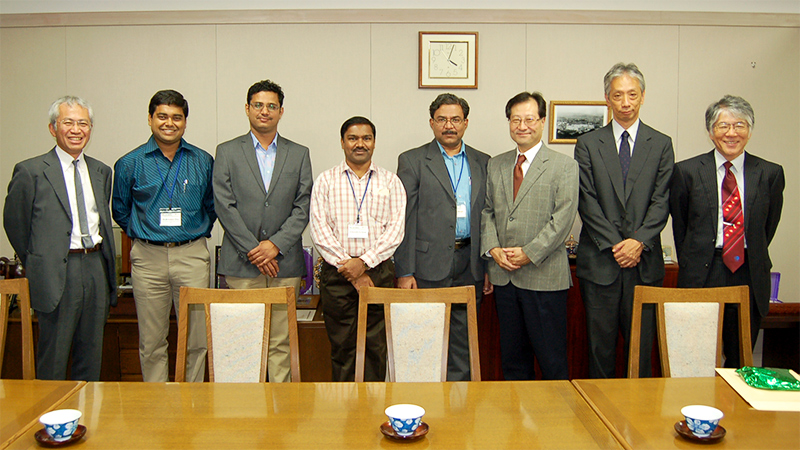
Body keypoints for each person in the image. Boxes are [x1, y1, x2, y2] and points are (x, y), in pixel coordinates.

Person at [4, 96, 117, 380]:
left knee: (91, 357)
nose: (76, 129)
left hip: (95, 268)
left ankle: (87, 419)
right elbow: (15, 224)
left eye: (83, 123)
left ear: (90, 129)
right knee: (53, 359)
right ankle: (50, 423)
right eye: (68, 122)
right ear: (53, 128)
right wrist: (39, 261)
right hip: (56, 273)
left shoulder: (102, 171)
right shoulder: (30, 171)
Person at [574, 62, 674, 378]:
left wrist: (638, 242)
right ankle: (599, 420)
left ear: (642, 96)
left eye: (632, 94)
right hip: (601, 262)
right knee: (598, 350)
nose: (626, 103)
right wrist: (618, 245)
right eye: (618, 95)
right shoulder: (588, 143)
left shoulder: (661, 144)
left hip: (644, 265)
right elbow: (586, 201)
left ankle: (639, 421)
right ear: (607, 98)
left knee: (641, 350)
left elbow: (662, 201)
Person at [670, 95, 784, 368]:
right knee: (696, 359)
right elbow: (681, 226)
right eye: (723, 126)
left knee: (740, 359)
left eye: (739, 125)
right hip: (703, 272)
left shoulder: (769, 173)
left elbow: (768, 227)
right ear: (711, 132)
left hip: (747, 272)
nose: (731, 133)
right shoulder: (687, 171)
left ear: (750, 130)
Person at [112, 90, 215, 382]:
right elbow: (120, 210)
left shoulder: (203, 161)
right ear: (150, 119)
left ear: (185, 122)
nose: (169, 123)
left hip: (191, 254)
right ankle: (157, 402)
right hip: (148, 256)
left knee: (196, 339)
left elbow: (212, 206)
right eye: (162, 116)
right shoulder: (130, 163)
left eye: (177, 117)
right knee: (152, 340)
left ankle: (192, 400)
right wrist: (148, 232)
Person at [213, 79, 312, 382]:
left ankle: (280, 411)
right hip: (242, 265)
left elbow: (303, 205)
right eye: (258, 105)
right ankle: (247, 415)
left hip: (284, 264)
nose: (264, 111)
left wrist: (275, 245)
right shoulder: (227, 151)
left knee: (281, 340)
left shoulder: (299, 153)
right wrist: (255, 250)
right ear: (247, 109)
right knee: (244, 340)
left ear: (281, 111)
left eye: (271, 106)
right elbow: (223, 206)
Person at [481, 92, 578, 380]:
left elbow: (563, 219)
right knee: (512, 361)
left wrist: (529, 253)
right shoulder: (496, 164)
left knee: (552, 361)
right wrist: (493, 249)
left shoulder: (564, 165)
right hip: (504, 277)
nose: (522, 126)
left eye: (529, 119)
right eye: (515, 119)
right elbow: (488, 211)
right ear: (509, 122)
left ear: (543, 121)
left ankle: (555, 422)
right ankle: (516, 423)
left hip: (544, 277)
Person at [395, 93, 492, 381]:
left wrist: (487, 266)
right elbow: (405, 217)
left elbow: (488, 216)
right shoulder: (412, 160)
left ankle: (461, 407)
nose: (449, 125)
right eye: (442, 119)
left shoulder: (483, 161)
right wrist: (405, 270)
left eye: (455, 119)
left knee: (463, 343)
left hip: (470, 262)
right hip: (427, 265)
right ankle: (425, 403)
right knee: (425, 338)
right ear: (431, 123)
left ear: (465, 123)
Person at [310, 116, 406, 382]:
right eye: (353, 138)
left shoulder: (390, 182)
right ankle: (344, 411)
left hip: (379, 273)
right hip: (337, 275)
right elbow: (320, 230)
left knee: (376, 347)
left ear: (374, 143)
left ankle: (374, 407)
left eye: (366, 138)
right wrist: (350, 268)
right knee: (342, 347)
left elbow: (395, 231)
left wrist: (363, 263)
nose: (359, 144)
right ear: (342, 142)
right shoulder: (326, 181)